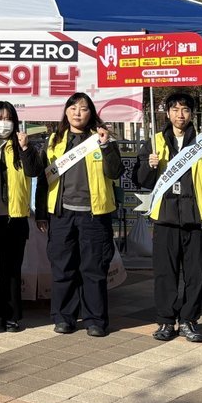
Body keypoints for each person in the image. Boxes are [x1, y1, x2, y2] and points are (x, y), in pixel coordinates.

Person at [134, 91, 202, 343]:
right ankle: (165, 321)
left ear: (192, 113)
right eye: (175, 109)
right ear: (167, 113)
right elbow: (140, 179)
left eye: (185, 109)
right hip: (165, 218)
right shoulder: (155, 142)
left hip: (195, 218)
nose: (180, 114)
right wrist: (149, 166)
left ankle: (189, 320)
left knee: (194, 275)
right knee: (165, 274)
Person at [37, 92, 122, 337]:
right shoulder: (53, 141)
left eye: (83, 109)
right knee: (63, 268)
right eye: (73, 108)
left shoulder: (102, 139)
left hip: (94, 216)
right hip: (62, 215)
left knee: (93, 269)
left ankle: (95, 320)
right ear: (66, 112)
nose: (77, 113)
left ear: (91, 113)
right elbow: (43, 179)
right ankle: (64, 317)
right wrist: (41, 213)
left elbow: (115, 172)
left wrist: (106, 146)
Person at [0, 102, 42, 333]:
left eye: (8, 118)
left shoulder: (23, 146)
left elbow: (34, 171)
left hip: (15, 218)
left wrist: (25, 148)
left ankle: (10, 315)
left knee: (11, 270)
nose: (3, 123)